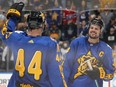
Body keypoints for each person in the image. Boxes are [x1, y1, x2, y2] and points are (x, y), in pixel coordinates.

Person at [0, 2, 64, 87]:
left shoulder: (17, 38)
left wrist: (13, 17)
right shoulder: (50, 44)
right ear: (42, 25)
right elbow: (56, 76)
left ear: (28, 24)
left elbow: (4, 33)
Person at [63, 18, 115, 87]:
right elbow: (66, 66)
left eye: (96, 29)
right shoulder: (77, 43)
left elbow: (111, 73)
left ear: (100, 32)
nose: (93, 30)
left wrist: (100, 72)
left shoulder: (106, 49)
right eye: (92, 28)